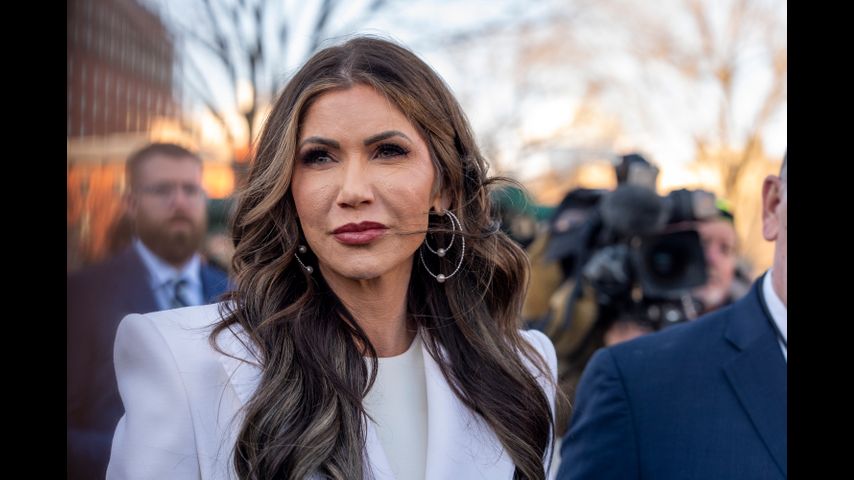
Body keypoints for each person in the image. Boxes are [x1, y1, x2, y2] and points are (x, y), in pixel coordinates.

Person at [107, 36, 558, 480]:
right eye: (320, 157)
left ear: (444, 187)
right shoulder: (183, 364)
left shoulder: (524, 369)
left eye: (388, 152)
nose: (353, 191)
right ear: (288, 188)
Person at [557, 152, 787, 479]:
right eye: (697, 244)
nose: (709, 261)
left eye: (725, 248)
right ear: (773, 205)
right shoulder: (631, 377)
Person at [67, 143, 230, 480]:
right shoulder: (82, 296)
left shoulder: (236, 295)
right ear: (130, 203)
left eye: (191, 190)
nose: (179, 202)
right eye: (162, 190)